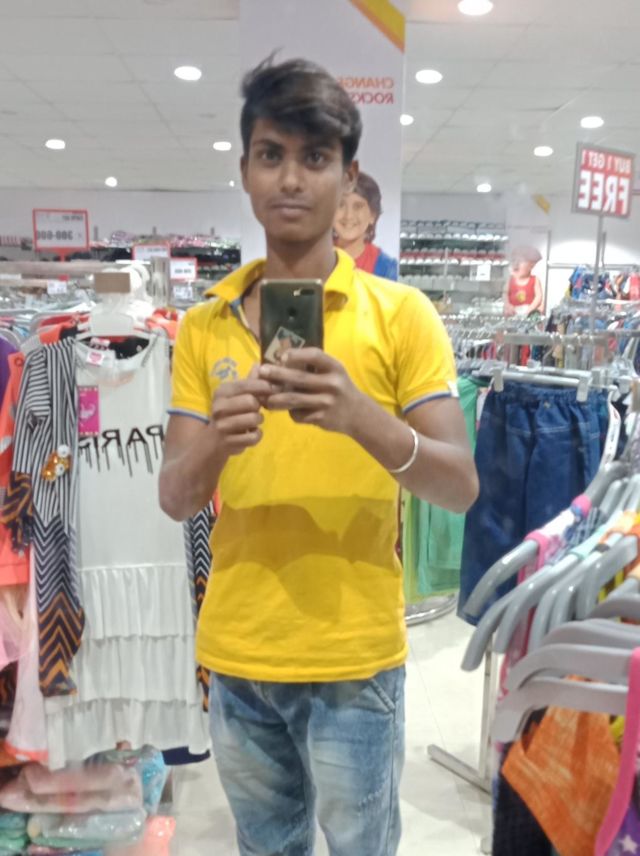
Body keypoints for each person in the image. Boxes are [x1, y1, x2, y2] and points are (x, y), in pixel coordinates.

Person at [159, 57, 478, 856]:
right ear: (244, 171)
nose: (292, 179)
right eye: (272, 155)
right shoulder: (204, 324)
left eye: (315, 156)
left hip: (354, 656)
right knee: (266, 846)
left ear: (349, 178)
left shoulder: (403, 315)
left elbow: (460, 485)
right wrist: (217, 440)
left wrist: (362, 418)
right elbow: (174, 496)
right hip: (239, 649)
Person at [333, 171, 399, 280]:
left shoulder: (386, 268)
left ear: (372, 215)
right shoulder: (314, 259)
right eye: (341, 205)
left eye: (358, 206)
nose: (348, 215)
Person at [504, 246, 544, 317]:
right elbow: (505, 294)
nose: (516, 265)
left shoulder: (535, 280)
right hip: (513, 313)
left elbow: (538, 296)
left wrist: (531, 308)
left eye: (520, 262)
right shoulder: (510, 280)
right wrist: (508, 305)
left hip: (529, 313)